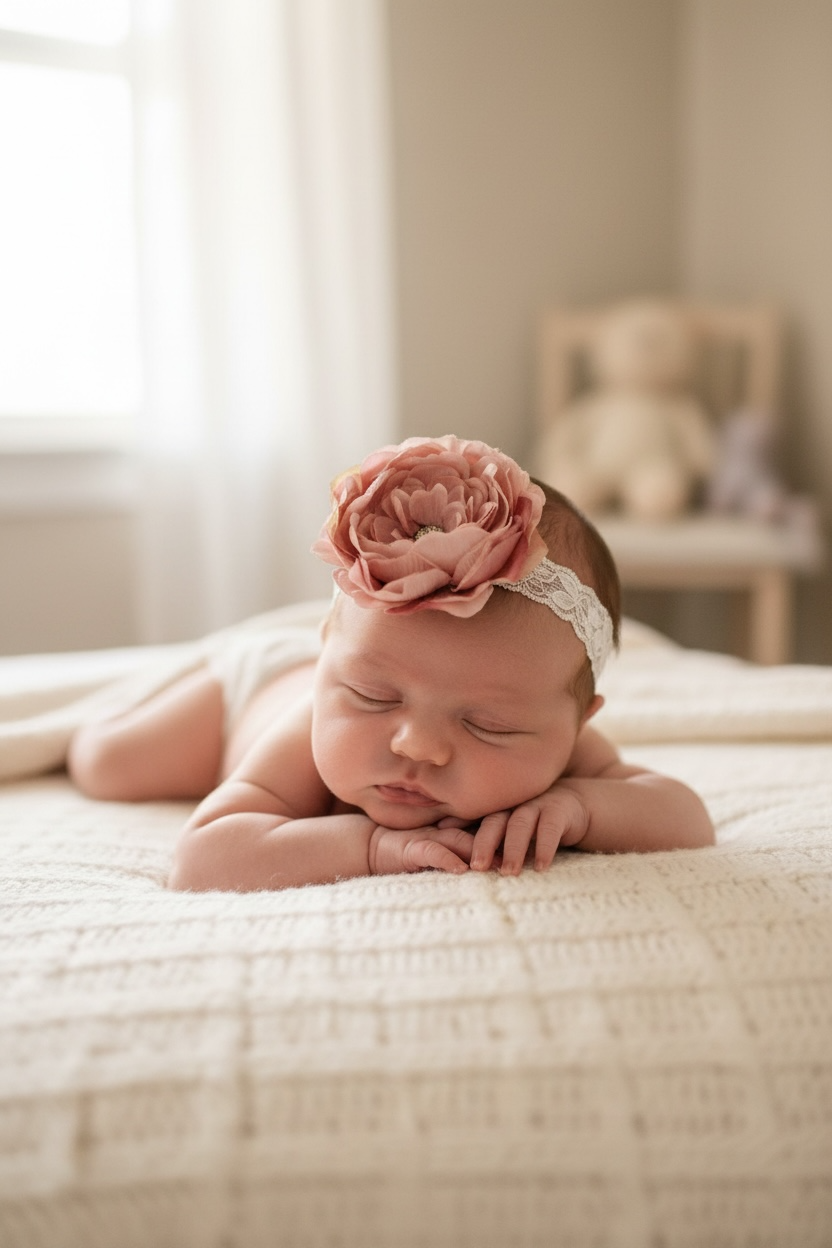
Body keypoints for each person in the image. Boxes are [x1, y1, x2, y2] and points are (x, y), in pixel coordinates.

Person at [68, 435, 715, 891]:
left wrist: (583, 808)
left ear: (574, 725)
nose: (418, 745)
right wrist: (371, 848)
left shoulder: (561, 758)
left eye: (488, 726)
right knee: (105, 764)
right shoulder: (304, 735)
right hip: (250, 693)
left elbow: (686, 817)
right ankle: (112, 706)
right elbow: (203, 857)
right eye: (373, 697)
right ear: (332, 666)